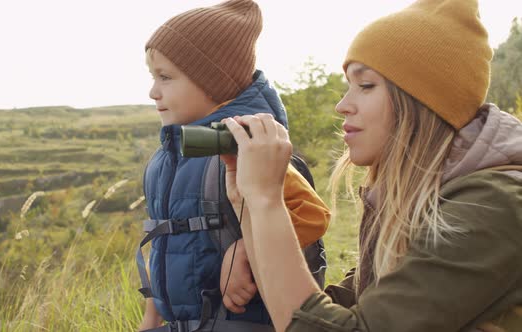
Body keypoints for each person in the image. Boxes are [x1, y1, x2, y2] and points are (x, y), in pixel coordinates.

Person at [220, 0, 522, 331]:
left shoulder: (491, 205)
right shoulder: (416, 200)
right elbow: (330, 314)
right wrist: (248, 207)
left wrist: (267, 201)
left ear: (421, 103)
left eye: (365, 85)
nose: (342, 105)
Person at [137, 0, 330, 331]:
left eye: (166, 77)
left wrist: (245, 251)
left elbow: (313, 215)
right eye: (153, 77)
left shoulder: (248, 147)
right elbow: (164, 243)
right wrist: (151, 318)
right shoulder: (168, 157)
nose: (153, 91)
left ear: (213, 82)